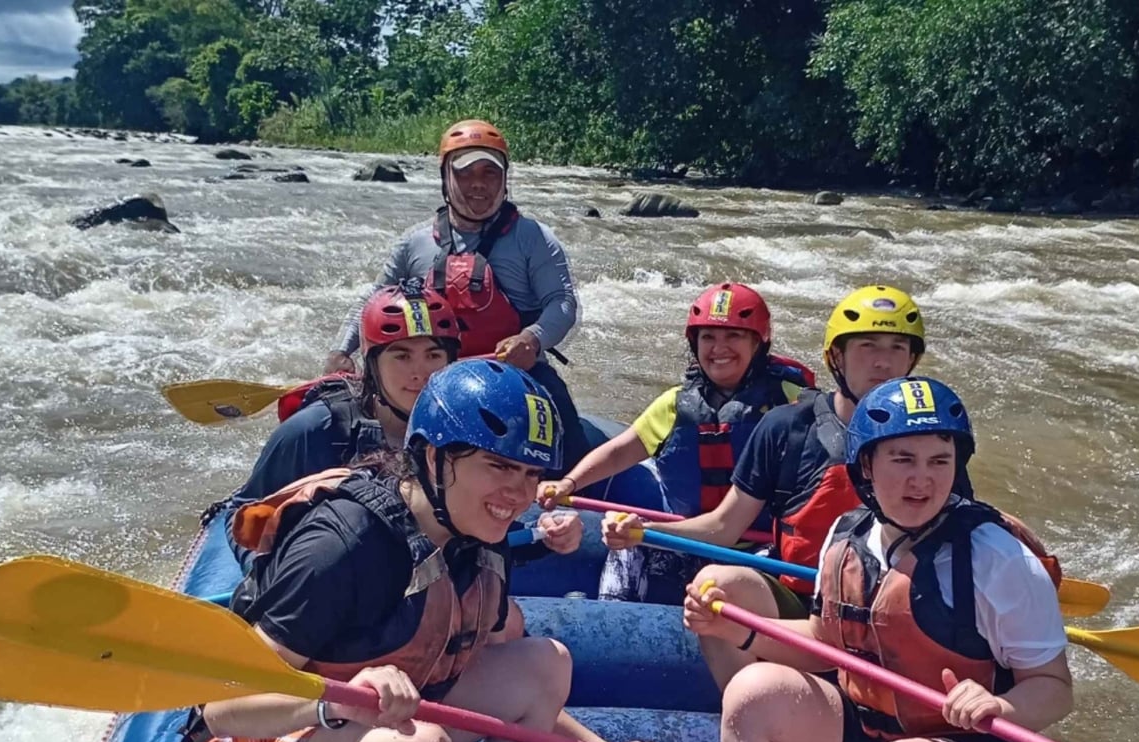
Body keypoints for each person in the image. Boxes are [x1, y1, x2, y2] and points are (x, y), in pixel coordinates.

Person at [176, 361, 662, 742]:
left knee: (544, 661)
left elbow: (513, 680)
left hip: (366, 739)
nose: (518, 493)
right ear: (433, 456)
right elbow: (222, 708)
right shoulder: (343, 546)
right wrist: (339, 702)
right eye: (498, 466)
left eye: (530, 474)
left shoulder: (478, 531)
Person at [650, 377, 1073, 742]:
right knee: (756, 689)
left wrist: (1000, 705)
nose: (922, 479)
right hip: (867, 731)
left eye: (939, 461)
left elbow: (1056, 689)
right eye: (902, 459)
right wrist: (745, 634)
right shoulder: (848, 537)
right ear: (866, 466)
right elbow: (828, 645)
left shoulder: (997, 559)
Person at [600, 285, 929, 688]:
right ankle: (749, 708)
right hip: (805, 606)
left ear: (912, 359)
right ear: (836, 357)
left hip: (889, 615)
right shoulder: (786, 427)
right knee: (715, 587)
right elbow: (723, 528)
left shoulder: (934, 440)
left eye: (897, 348)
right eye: (867, 346)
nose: (882, 362)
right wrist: (644, 532)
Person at [217, 280, 581, 567]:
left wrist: (539, 537)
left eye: (434, 354)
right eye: (401, 355)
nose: (420, 372)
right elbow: (244, 510)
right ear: (372, 364)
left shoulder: (465, 429)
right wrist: (266, 567)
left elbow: (465, 518)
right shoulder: (318, 429)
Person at [325, 119, 589, 472]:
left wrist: (532, 339)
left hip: (516, 374)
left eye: (489, 173)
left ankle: (574, 487)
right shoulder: (414, 244)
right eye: (464, 174)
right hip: (432, 375)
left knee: (560, 414)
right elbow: (372, 302)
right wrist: (342, 351)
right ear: (445, 177)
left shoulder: (534, 238)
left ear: (505, 179)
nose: (478, 184)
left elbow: (563, 302)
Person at [535, 283, 814, 604]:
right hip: (687, 537)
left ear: (758, 343)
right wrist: (569, 483)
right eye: (708, 337)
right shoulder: (675, 403)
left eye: (733, 336)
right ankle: (617, 621)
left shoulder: (791, 402)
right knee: (627, 548)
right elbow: (620, 451)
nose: (719, 348)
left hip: (762, 550)